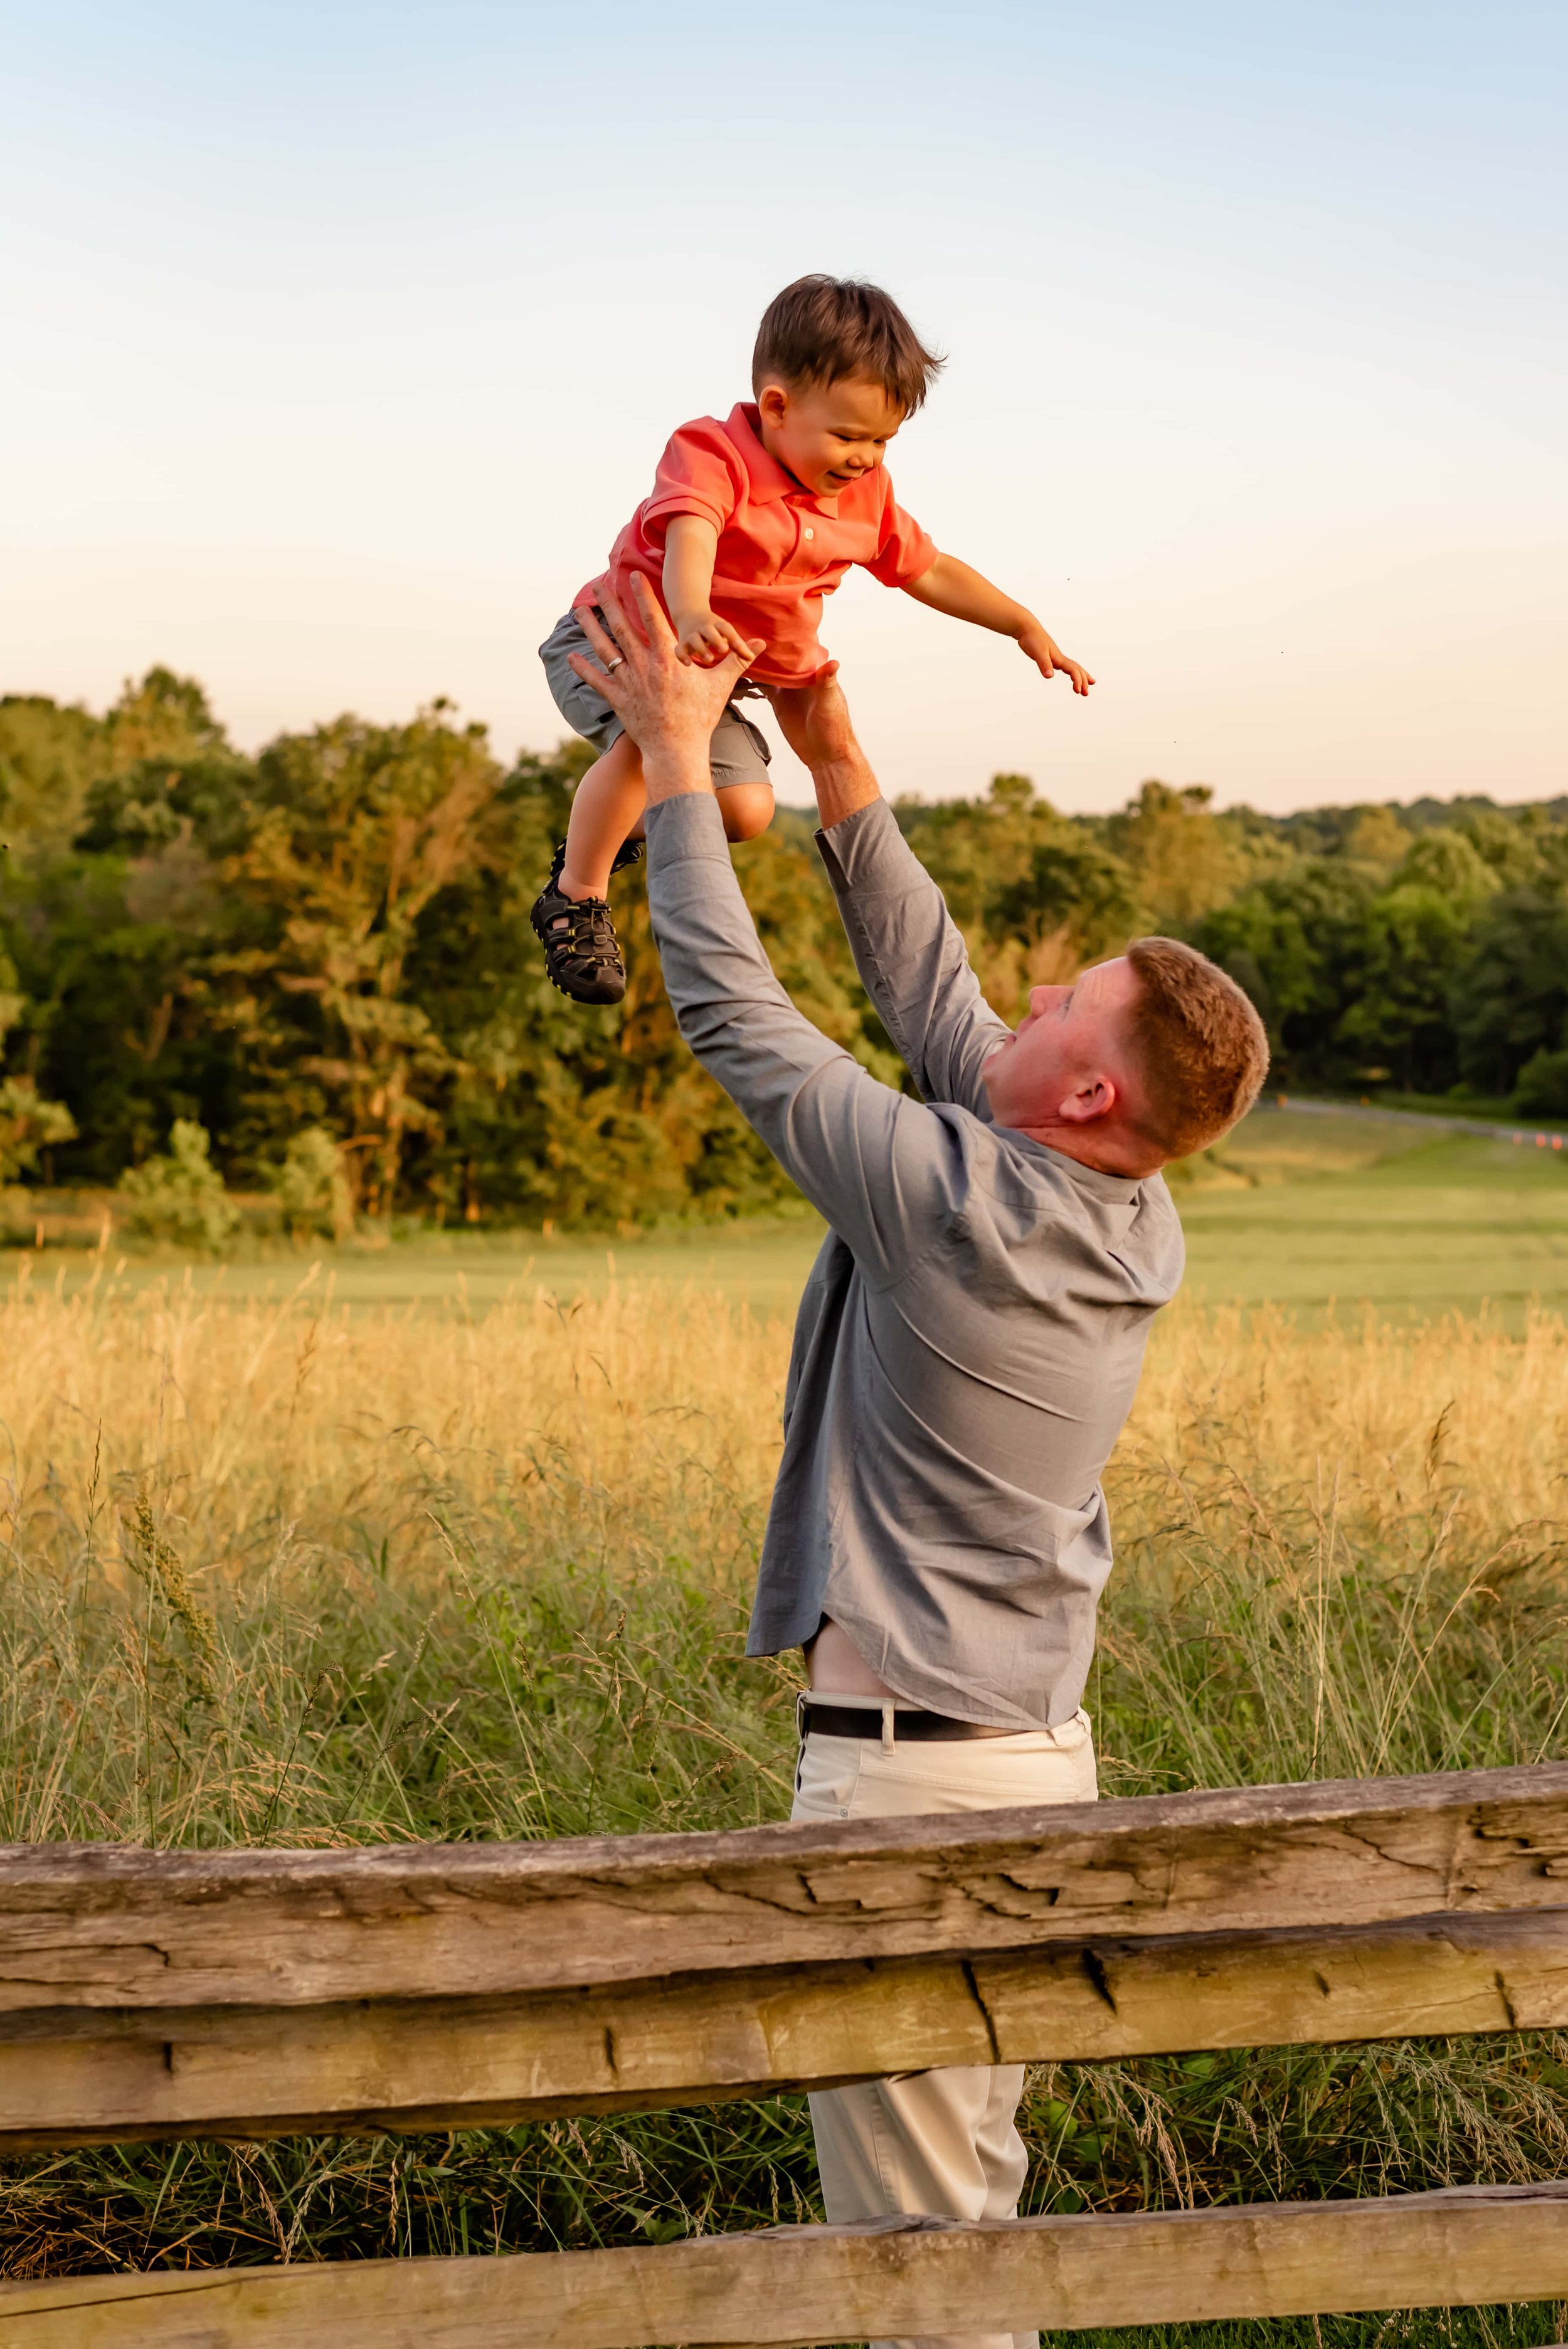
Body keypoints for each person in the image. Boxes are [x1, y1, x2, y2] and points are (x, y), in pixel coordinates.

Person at [565, 577, 1268, 2349]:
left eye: (1072, 1002)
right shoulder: (1121, 1208)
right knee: (972, 2236)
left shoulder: (957, 1207)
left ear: (1092, 1095)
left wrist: (668, 762)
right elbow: (934, 992)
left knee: (921, 2287)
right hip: (1028, 1772)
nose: (1029, 992)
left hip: (907, 1797)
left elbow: (744, 1025)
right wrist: (828, 743)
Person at [531, 273, 1093, 1005]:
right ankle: (577, 893)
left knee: (746, 812)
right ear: (776, 407)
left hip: (710, 682)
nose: (865, 457)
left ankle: (598, 835)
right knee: (657, 738)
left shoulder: (865, 495)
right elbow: (691, 532)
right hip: (622, 648)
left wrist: (1021, 622)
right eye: (848, 435)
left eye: (884, 440)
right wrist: (692, 611)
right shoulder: (712, 452)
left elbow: (929, 570)